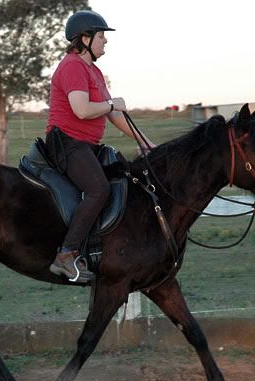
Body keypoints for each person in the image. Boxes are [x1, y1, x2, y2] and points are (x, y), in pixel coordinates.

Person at [46, 10, 156, 283]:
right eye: (101, 35)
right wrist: (111, 103)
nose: (105, 41)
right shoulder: (72, 66)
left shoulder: (94, 71)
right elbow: (82, 110)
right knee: (99, 189)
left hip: (87, 146)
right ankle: (65, 255)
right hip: (67, 144)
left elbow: (115, 115)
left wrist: (146, 142)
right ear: (85, 38)